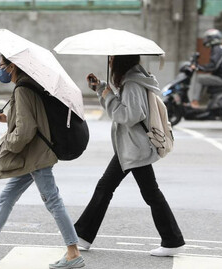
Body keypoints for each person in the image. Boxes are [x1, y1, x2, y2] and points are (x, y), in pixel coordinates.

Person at [0, 55, 85, 269]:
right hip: (34, 154)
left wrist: (9, 145)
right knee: (7, 196)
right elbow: (32, 119)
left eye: (1, 65)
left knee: (52, 200)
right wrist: (7, 120)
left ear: (12, 66)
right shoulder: (29, 85)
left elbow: (26, 130)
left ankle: (73, 253)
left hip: (35, 155)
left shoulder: (23, 89)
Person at [74, 55, 185, 257]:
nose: (110, 62)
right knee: (108, 187)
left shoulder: (132, 83)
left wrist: (107, 95)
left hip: (134, 148)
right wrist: (102, 88)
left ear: (121, 61)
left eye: (112, 59)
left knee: (145, 192)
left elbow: (129, 115)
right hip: (130, 147)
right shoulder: (134, 78)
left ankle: (172, 240)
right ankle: (82, 235)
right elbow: (125, 105)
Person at [190, 29, 222, 108]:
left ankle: (195, 102)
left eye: (207, 38)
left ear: (213, 39)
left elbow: (213, 66)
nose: (206, 40)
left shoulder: (218, 49)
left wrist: (198, 67)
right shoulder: (219, 48)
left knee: (199, 79)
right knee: (205, 79)